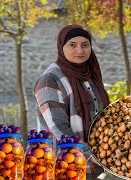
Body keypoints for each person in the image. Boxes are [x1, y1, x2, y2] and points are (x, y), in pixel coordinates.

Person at [34, 24, 110, 178]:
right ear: (61, 47)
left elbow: (102, 117)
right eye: (72, 45)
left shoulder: (90, 76)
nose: (80, 51)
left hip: (94, 168)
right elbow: (60, 129)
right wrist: (94, 156)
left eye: (85, 45)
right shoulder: (50, 80)